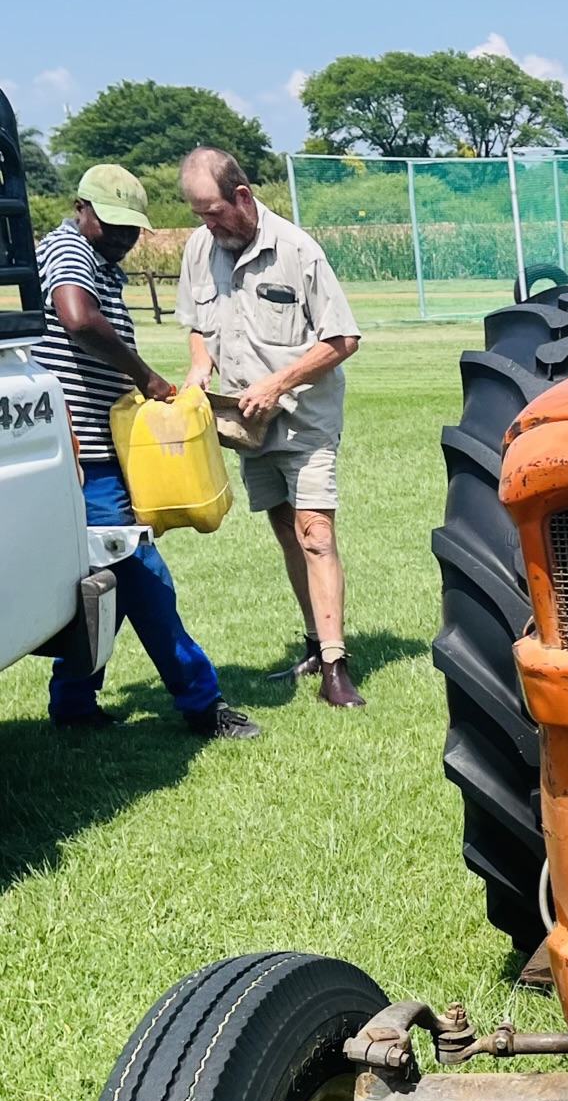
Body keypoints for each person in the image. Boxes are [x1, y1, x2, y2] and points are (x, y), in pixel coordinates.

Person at [33, 165, 258, 739]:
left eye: (132, 230)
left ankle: (75, 705)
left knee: (103, 581)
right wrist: (146, 376)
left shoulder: (99, 261)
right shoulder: (65, 249)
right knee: (141, 577)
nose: (123, 239)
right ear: (81, 207)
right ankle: (202, 705)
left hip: (100, 455)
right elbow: (77, 320)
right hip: (82, 460)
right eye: (112, 225)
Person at [175, 146, 365, 707]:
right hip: (243, 425)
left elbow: (342, 339)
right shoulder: (199, 249)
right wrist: (199, 364)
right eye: (198, 215)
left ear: (242, 195)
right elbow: (195, 324)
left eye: (213, 212)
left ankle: (336, 666)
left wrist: (276, 383)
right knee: (285, 528)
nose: (208, 224)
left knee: (315, 532)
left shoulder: (298, 250)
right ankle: (311, 641)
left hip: (303, 419)